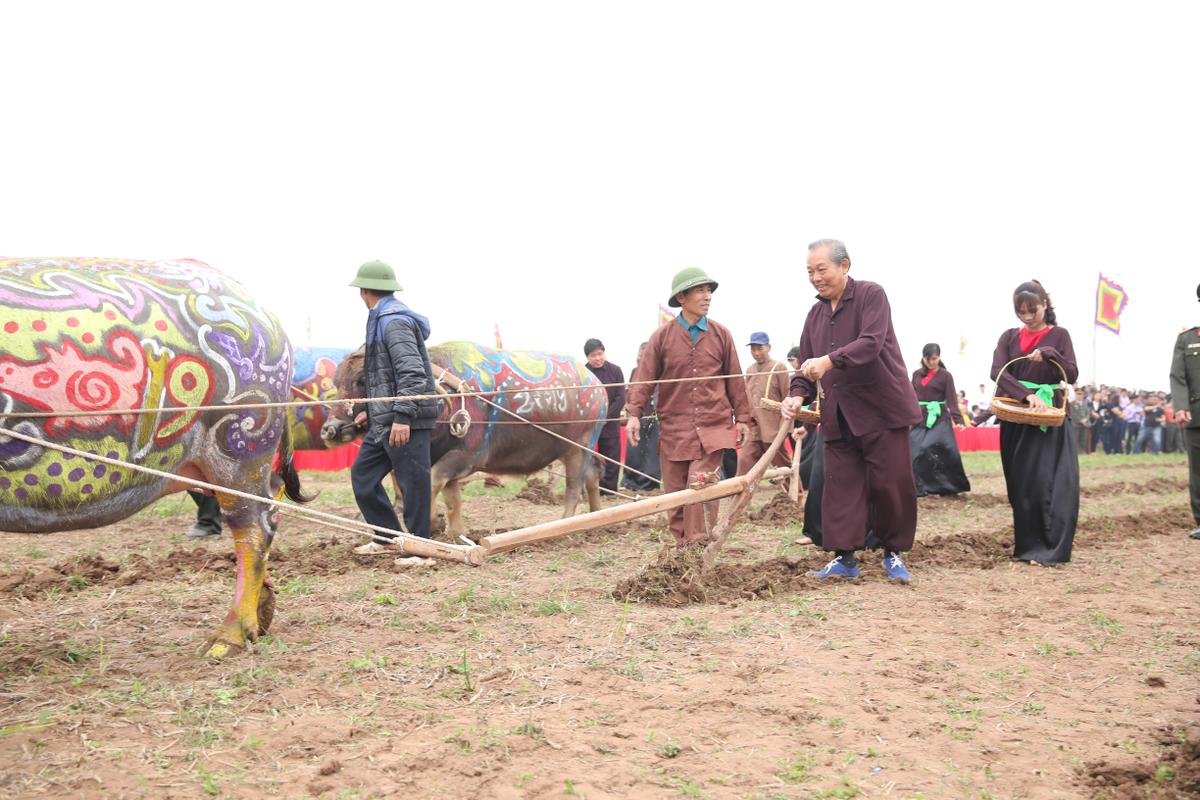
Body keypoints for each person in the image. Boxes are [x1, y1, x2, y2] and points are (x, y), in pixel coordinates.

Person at [781, 239, 920, 584]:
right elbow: (805, 368)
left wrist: (829, 361)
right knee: (841, 487)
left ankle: (893, 554)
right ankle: (844, 559)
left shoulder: (871, 296)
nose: (815, 277)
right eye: (810, 271)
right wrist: (798, 395)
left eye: (821, 269)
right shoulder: (814, 315)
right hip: (839, 415)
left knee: (890, 485)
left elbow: (871, 343)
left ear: (845, 266)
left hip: (881, 410)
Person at [625, 267, 752, 547]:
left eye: (709, 291)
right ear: (682, 297)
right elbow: (644, 379)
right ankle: (683, 550)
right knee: (675, 496)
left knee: (700, 485)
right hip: (674, 429)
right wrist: (634, 414)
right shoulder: (661, 338)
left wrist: (743, 418)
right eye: (700, 290)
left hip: (713, 426)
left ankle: (697, 549)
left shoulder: (722, 335)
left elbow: (735, 379)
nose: (707, 296)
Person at [347, 260, 439, 560]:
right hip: (384, 420)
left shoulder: (393, 320)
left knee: (413, 484)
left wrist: (402, 417)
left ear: (363, 291)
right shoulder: (381, 317)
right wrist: (371, 411)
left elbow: (412, 373)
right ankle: (386, 536)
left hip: (405, 420)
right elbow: (385, 376)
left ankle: (420, 548)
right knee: (363, 475)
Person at [990, 280, 1079, 564]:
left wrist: (1052, 355)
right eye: (1021, 312)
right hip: (1017, 416)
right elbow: (998, 373)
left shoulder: (1060, 335)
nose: (1027, 317)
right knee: (1021, 485)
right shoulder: (1008, 337)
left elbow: (1072, 373)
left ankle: (1052, 550)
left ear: (1045, 305)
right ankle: (1027, 548)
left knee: (1048, 482)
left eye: (1033, 310)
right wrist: (1026, 395)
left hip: (1048, 418)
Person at [909, 343, 971, 496]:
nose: (931, 362)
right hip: (920, 418)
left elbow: (951, 399)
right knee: (914, 450)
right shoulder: (916, 374)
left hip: (939, 419)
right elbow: (910, 396)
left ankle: (947, 486)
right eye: (928, 359)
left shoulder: (945, 375)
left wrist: (959, 420)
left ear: (939, 357)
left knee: (929, 447)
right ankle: (919, 488)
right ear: (923, 358)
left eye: (934, 358)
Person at [737, 332, 792, 475]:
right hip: (753, 428)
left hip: (772, 428)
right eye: (753, 349)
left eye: (760, 348)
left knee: (782, 467)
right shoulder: (750, 370)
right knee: (744, 461)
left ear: (768, 347)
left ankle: (794, 495)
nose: (756, 353)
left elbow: (788, 396)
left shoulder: (779, 367)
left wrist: (784, 429)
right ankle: (740, 497)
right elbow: (744, 396)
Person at [1169, 290, 1200, 539]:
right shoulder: (1187, 339)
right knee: (1198, 470)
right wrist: (1181, 406)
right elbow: (1178, 376)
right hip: (1196, 416)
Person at [583, 339, 626, 494]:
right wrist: (594, 417)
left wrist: (606, 416)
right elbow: (582, 397)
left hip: (610, 421)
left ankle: (609, 490)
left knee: (612, 455)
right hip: (590, 423)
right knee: (586, 455)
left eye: (600, 354)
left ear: (604, 352)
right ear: (587, 357)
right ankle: (587, 488)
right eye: (593, 355)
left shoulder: (615, 370)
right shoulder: (583, 372)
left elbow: (621, 397)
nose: (597, 358)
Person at [621, 342, 662, 492]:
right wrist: (629, 407)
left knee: (652, 450)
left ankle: (649, 482)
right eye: (641, 353)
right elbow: (631, 391)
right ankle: (629, 481)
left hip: (653, 414)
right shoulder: (634, 371)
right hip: (637, 414)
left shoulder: (660, 371)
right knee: (634, 449)